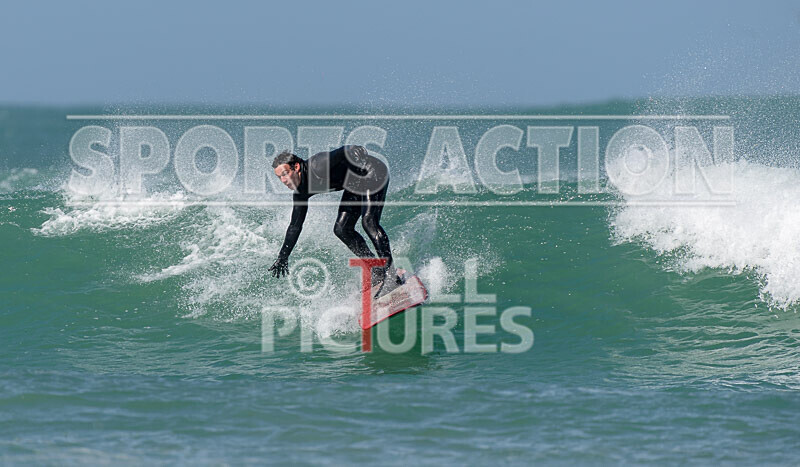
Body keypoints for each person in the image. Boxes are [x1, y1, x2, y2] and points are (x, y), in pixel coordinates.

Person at [269, 145, 403, 297]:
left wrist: (351, 149)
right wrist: (283, 256)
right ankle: (376, 269)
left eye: (285, 174)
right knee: (342, 229)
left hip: (372, 172)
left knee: (369, 222)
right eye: (279, 177)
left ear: (297, 167)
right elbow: (295, 226)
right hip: (355, 182)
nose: (283, 180)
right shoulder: (301, 193)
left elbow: (340, 152)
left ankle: (391, 277)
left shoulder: (317, 166)